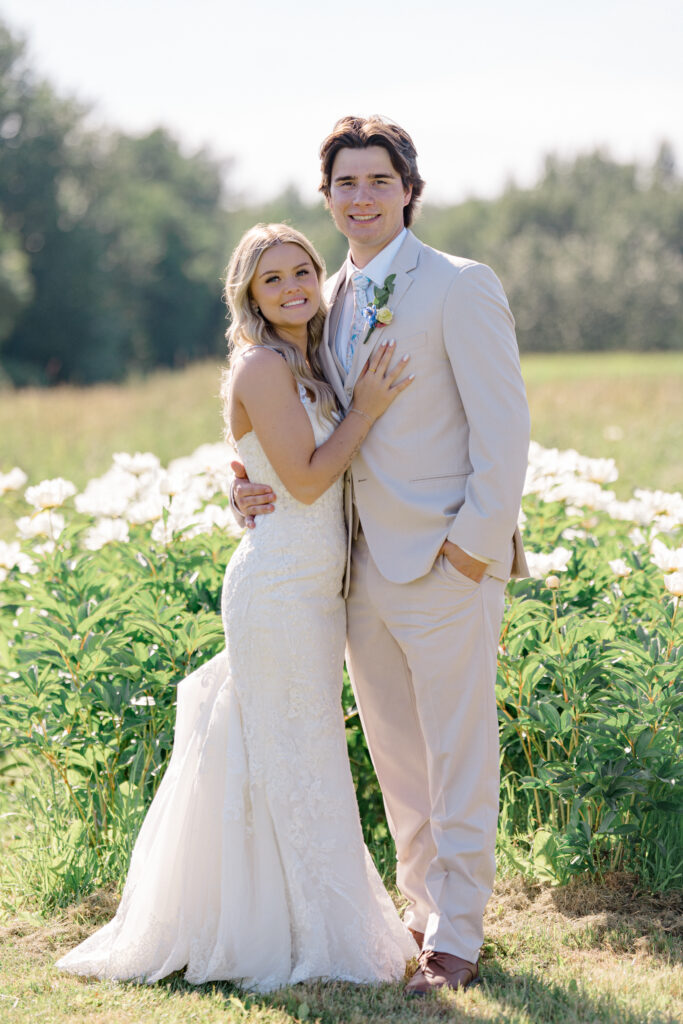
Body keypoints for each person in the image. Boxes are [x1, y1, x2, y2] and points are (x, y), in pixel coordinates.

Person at [56, 223, 417, 991]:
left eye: (302, 272)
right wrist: (370, 407)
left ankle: (269, 919)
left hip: (315, 590)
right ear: (248, 297)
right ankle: (310, 936)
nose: (292, 288)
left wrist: (244, 482)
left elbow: (273, 471)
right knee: (298, 754)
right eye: (271, 280)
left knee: (286, 754)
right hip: (279, 589)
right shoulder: (261, 365)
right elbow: (313, 478)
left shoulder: (311, 361)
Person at [232, 117, 530, 994]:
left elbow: (504, 434)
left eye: (377, 181)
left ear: (408, 189)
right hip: (351, 572)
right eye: (344, 185)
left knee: (459, 755)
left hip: (444, 564)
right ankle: (417, 911)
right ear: (325, 200)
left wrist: (471, 553)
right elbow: (297, 416)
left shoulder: (458, 286)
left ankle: (459, 938)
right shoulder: (324, 301)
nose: (360, 198)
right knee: (399, 760)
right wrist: (240, 477)